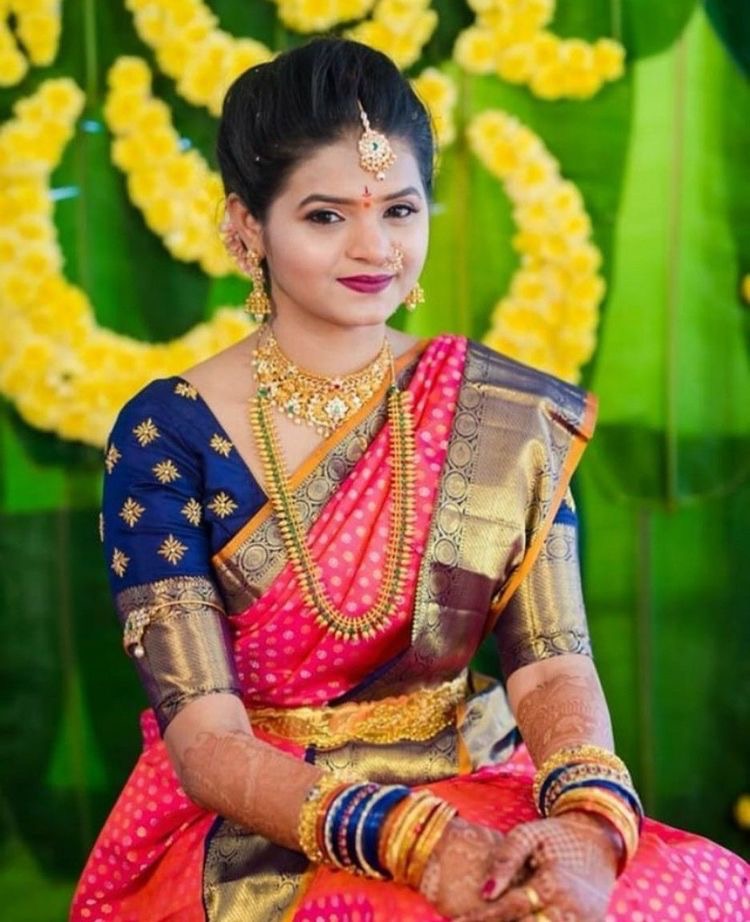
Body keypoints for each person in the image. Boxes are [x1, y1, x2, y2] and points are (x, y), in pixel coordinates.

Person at [71, 37, 748, 922]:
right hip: (261, 820)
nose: (374, 248)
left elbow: (550, 668)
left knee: (686, 895)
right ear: (246, 227)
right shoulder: (169, 434)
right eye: (325, 216)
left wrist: (587, 825)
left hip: (477, 774)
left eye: (399, 210)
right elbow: (205, 740)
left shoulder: (501, 415)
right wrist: (414, 842)